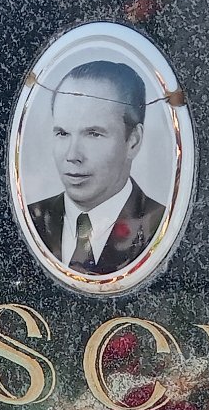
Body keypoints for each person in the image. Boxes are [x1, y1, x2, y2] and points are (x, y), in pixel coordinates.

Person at [25, 59, 166, 276]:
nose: (73, 156)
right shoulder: (31, 220)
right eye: (63, 133)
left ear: (133, 141)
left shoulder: (160, 225)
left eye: (93, 134)